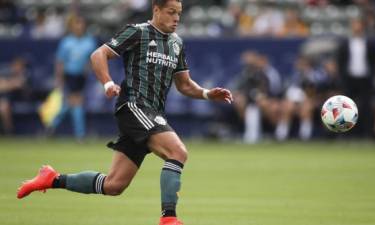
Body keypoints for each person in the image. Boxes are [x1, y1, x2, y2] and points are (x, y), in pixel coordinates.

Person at [17, 1, 233, 225]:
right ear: (156, 10)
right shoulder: (138, 32)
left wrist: (208, 94)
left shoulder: (177, 43)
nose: (176, 18)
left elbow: (185, 85)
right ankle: (169, 219)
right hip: (133, 106)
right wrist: (108, 83)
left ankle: (52, 179)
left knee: (113, 185)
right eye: (171, 12)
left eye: (179, 13)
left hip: (151, 113)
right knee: (177, 151)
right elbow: (98, 55)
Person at [47, 16, 96, 139]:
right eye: (76, 24)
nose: (79, 27)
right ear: (72, 27)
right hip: (69, 75)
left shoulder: (89, 41)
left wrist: (89, 69)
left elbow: (93, 59)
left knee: (70, 104)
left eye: (81, 24)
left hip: (81, 77)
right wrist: (59, 79)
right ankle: (80, 134)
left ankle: (52, 125)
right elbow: (60, 62)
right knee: (77, 103)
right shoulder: (66, 42)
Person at [337, 18, 375, 137]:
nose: (357, 28)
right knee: (346, 108)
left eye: (359, 25)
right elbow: (341, 62)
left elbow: (373, 61)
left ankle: (367, 134)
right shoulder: (345, 44)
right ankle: (345, 134)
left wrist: (372, 76)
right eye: (355, 25)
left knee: (366, 107)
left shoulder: (369, 43)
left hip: (365, 79)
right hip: (349, 79)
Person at [0, 57, 27, 134]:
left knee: (4, 106)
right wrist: (10, 84)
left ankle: (9, 131)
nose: (18, 68)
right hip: (3, 98)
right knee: (3, 104)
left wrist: (7, 83)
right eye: (17, 66)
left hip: (16, 100)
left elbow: (19, 84)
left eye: (20, 66)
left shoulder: (25, 75)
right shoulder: (5, 73)